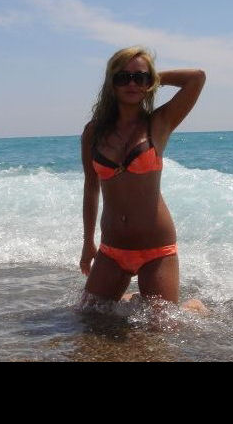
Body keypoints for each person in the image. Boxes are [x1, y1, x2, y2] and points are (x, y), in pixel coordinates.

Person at [79, 46, 207, 314]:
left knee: (163, 326)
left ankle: (193, 306)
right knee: (87, 318)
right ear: (111, 82)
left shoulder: (160, 123)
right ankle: (131, 298)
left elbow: (196, 78)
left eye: (139, 78)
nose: (132, 84)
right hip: (112, 248)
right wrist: (88, 242)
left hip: (156, 248)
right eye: (122, 77)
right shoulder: (93, 132)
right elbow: (91, 187)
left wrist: (155, 77)